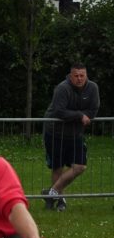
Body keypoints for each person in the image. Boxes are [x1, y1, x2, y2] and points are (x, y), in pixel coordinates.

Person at [42, 63, 100, 212]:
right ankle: (59, 201)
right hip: (55, 132)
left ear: (86, 75)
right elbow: (59, 111)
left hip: (75, 134)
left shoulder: (92, 88)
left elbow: (93, 109)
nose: (79, 79)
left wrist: (80, 115)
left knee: (80, 166)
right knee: (57, 167)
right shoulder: (62, 88)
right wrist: (80, 115)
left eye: (82, 75)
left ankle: (51, 193)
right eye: (76, 76)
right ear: (70, 76)